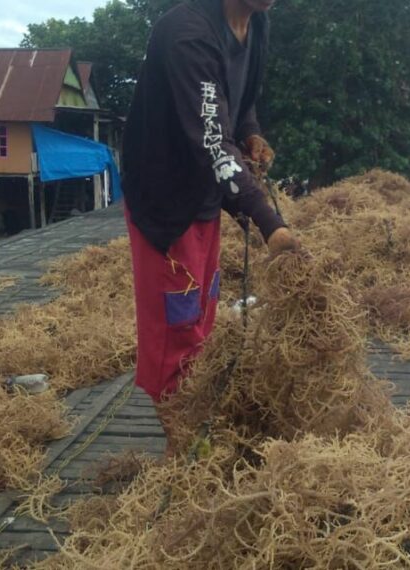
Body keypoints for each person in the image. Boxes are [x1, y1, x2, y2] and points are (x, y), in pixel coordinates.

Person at [121, 0, 297, 444]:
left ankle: (194, 423)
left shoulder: (257, 21)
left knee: (201, 315)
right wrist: (270, 225)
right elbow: (214, 145)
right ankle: (180, 451)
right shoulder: (188, 34)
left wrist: (251, 132)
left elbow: (240, 101)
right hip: (164, 200)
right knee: (174, 325)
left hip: (206, 193)